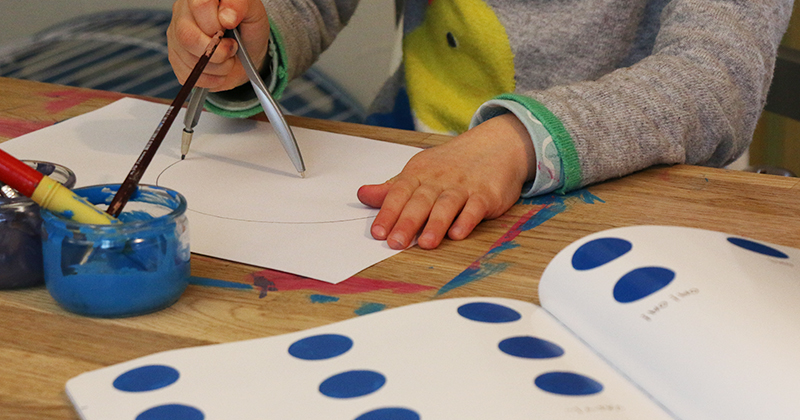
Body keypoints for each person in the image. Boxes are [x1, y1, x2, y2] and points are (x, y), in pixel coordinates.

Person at [167, 0, 793, 250]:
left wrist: (516, 139)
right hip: (411, 167)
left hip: (640, 207)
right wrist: (253, 40)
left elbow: (714, 78)